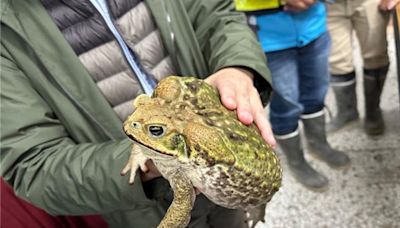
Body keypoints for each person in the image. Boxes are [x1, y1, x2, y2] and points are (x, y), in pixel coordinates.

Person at [0, 0, 276, 227]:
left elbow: (217, 12)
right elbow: (32, 165)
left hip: (224, 175)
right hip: (133, 209)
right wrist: (140, 159)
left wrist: (237, 65)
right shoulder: (7, 29)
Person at [245, 0, 350, 190]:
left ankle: (318, 144)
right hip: (270, 35)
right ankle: (296, 162)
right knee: (287, 103)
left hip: (313, 25)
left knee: (316, 94)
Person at [326, 0, 397, 135]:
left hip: (370, 2)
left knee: (376, 56)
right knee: (337, 61)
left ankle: (373, 111)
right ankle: (347, 113)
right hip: (329, 4)